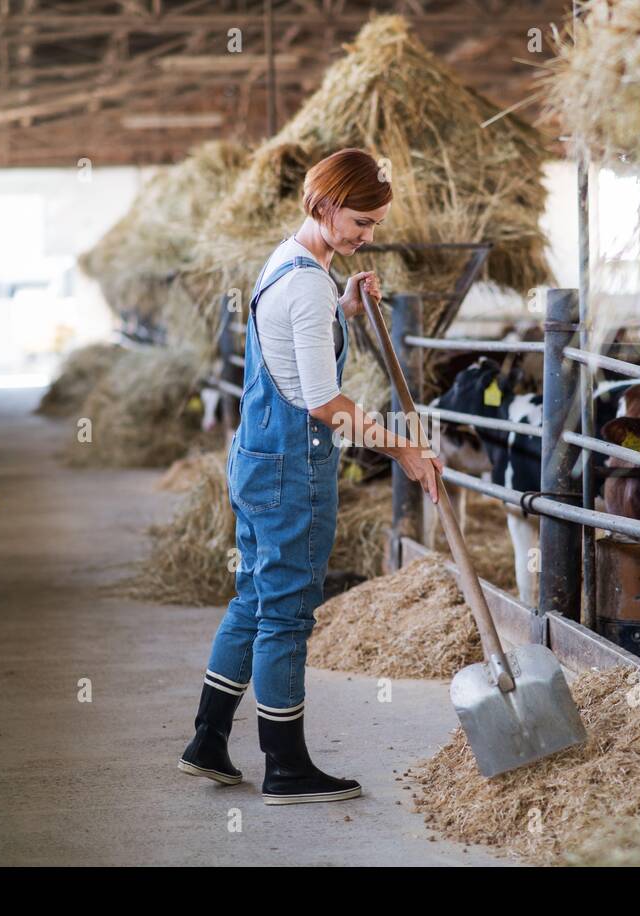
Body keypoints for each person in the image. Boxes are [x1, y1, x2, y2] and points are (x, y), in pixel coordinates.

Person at [178, 148, 443, 805]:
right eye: (359, 221)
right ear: (323, 206)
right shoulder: (305, 283)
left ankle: (207, 742)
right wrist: (404, 450)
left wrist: (348, 306)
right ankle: (286, 766)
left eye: (375, 224)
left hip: (261, 457)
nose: (367, 236)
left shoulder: (294, 264)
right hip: (292, 466)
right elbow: (327, 404)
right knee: (289, 614)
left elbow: (300, 344)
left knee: (255, 599)